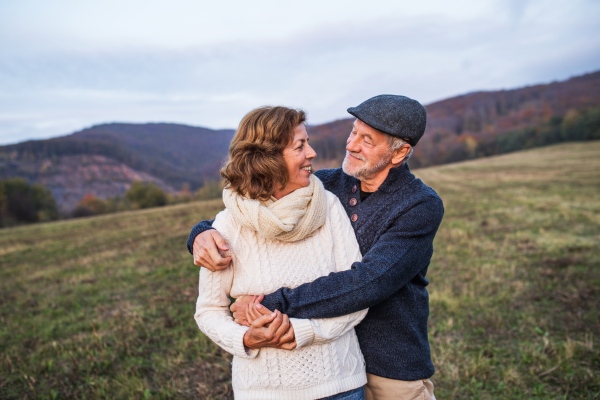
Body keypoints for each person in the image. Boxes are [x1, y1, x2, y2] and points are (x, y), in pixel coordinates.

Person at [189, 95, 444, 400]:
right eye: (353, 132)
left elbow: (369, 282)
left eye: (366, 140)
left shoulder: (418, 205)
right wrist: (201, 233)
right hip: (332, 364)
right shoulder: (324, 186)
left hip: (388, 366)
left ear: (399, 152)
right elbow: (256, 209)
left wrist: (268, 304)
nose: (350, 145)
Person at [194, 106, 368, 400]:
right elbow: (209, 311)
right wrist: (246, 337)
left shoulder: (328, 206)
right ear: (268, 158)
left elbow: (358, 293)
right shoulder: (227, 225)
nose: (312, 152)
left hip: (340, 386)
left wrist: (300, 332)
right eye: (300, 145)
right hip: (263, 391)